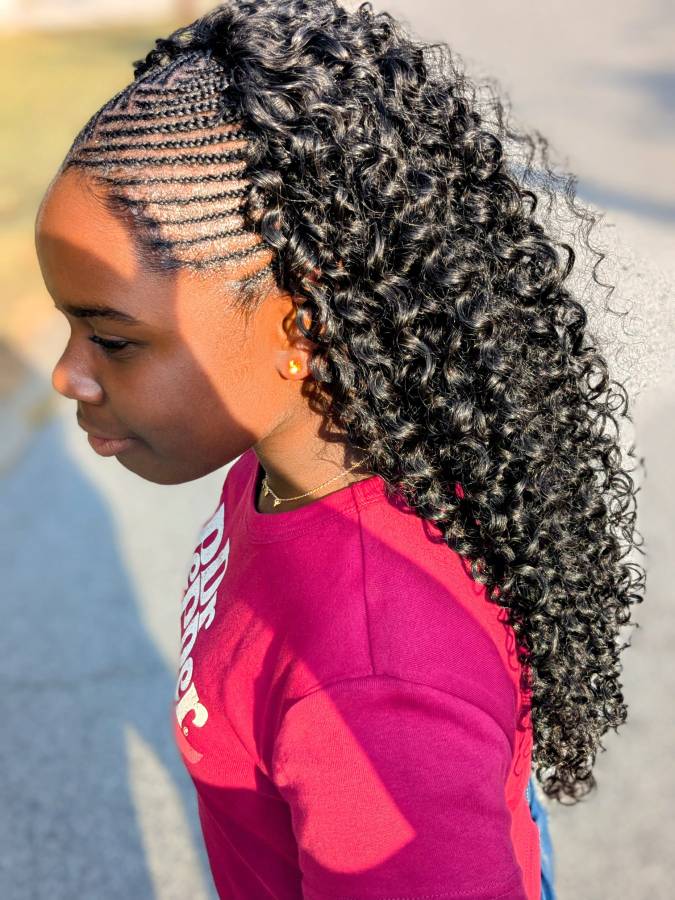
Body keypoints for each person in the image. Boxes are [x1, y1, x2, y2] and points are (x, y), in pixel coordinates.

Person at [34, 2, 645, 898]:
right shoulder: (290, 461)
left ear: (303, 322)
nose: (65, 375)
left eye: (113, 340)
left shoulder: (375, 694)